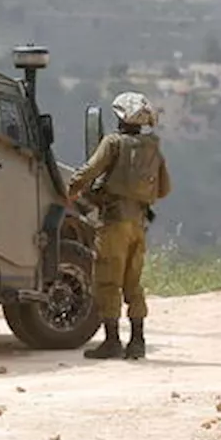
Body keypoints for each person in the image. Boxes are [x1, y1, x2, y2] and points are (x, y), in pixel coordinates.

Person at [67, 91, 172, 360]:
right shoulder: (153, 147)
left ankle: (112, 341)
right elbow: (164, 189)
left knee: (107, 280)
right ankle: (138, 341)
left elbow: (90, 170)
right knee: (133, 282)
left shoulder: (113, 142)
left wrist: (70, 190)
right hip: (139, 222)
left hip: (113, 221)